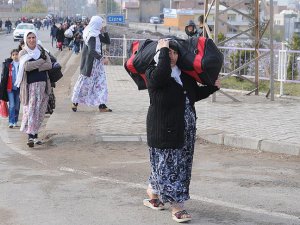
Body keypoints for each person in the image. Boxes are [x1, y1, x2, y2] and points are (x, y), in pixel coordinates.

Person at [143, 39, 220, 223]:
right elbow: (162, 75)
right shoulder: (153, 72)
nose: (170, 55)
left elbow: (193, 95)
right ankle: (177, 206)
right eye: (166, 52)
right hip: (164, 130)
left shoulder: (184, 75)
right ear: (158, 54)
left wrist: (212, 87)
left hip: (185, 131)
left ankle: (153, 193)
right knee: (170, 167)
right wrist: (161, 51)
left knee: (176, 166)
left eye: (174, 52)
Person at [15, 30, 52, 148]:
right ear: (26, 39)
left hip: (43, 86)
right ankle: (30, 136)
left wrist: (37, 66)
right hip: (30, 87)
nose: (32, 40)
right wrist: (41, 61)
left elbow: (49, 65)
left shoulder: (41, 50)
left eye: (34, 37)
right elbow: (27, 67)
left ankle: (35, 135)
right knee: (31, 110)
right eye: (29, 38)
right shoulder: (23, 52)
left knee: (40, 111)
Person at [71, 16, 112, 112]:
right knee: (84, 84)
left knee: (101, 84)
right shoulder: (91, 35)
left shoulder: (96, 33)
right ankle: (75, 102)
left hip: (98, 65)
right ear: (96, 24)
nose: (102, 25)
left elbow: (107, 41)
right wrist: (103, 59)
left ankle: (102, 106)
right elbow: (91, 51)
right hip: (91, 65)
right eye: (101, 24)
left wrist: (104, 31)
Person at [0, 49, 20, 128]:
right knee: (12, 105)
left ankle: (15, 121)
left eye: (16, 54)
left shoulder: (21, 64)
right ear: (11, 56)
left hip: (19, 88)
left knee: (17, 106)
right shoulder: (9, 65)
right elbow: (4, 77)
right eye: (13, 55)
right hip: (10, 88)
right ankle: (11, 122)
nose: (15, 56)